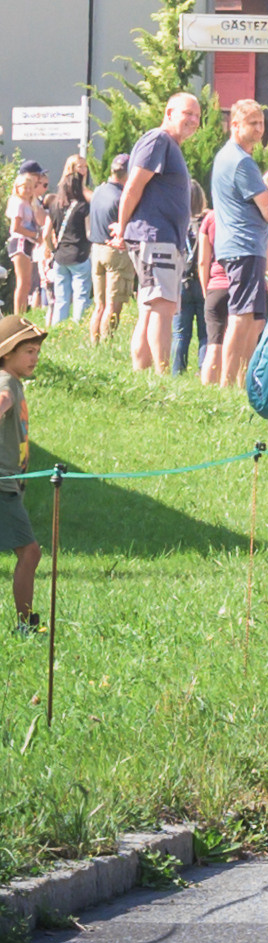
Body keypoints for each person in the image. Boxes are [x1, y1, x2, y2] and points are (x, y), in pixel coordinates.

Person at [111, 92, 202, 372]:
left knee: (151, 308)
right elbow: (133, 186)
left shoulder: (169, 145)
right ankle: (163, 375)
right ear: (169, 111)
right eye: (187, 113)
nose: (193, 120)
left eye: (197, 116)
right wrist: (121, 229)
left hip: (162, 239)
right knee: (162, 306)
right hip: (155, 237)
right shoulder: (158, 140)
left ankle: (144, 377)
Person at [210, 99, 268, 387]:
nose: (259, 129)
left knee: (256, 318)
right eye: (252, 123)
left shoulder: (227, 157)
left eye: (261, 123)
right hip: (243, 245)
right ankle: (228, 382)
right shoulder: (242, 161)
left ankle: (244, 380)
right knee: (241, 315)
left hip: (242, 245)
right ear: (234, 125)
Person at [0, 313, 46, 634]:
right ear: (7, 353)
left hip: (9, 484)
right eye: (28, 351)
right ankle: (25, 625)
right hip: (2, 487)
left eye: (37, 352)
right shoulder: (6, 383)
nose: (35, 358)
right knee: (30, 553)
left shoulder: (11, 382)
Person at [88, 154, 131, 345]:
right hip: (115, 252)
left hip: (96, 249)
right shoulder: (122, 198)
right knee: (113, 304)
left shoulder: (98, 190)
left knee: (99, 304)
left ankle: (93, 343)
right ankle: (106, 343)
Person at [44, 169, 93, 325]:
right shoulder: (83, 207)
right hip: (79, 255)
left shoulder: (55, 205)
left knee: (61, 297)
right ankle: (77, 325)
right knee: (80, 295)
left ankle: (58, 326)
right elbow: (89, 232)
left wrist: (53, 250)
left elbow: (46, 235)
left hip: (60, 256)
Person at [171, 182, 209, 378]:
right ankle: (204, 370)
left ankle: (177, 371)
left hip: (181, 281)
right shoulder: (207, 222)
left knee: (179, 333)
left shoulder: (177, 221)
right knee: (206, 333)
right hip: (203, 281)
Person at [194, 201, 229, 387]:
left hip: (216, 286)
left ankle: (207, 389)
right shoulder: (251, 214)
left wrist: (206, 289)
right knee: (239, 343)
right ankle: (231, 387)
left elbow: (202, 261)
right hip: (244, 288)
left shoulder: (211, 218)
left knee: (214, 343)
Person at [9, 163, 48, 318]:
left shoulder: (29, 203)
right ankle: (18, 315)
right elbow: (15, 228)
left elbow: (41, 220)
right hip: (20, 241)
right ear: (17, 188)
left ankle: (22, 314)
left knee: (27, 284)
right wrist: (34, 236)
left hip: (28, 242)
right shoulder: (18, 203)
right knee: (22, 282)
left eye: (30, 187)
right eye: (24, 187)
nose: (27, 190)